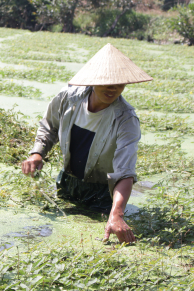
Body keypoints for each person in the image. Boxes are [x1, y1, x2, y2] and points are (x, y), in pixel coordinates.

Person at [21, 43, 153, 244]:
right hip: (66, 183)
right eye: (107, 82)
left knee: (89, 242)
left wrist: (116, 213)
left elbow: (125, 172)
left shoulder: (126, 119)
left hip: (102, 195)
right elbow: (50, 126)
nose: (113, 89)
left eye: (119, 84)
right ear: (93, 80)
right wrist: (37, 153)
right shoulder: (68, 97)